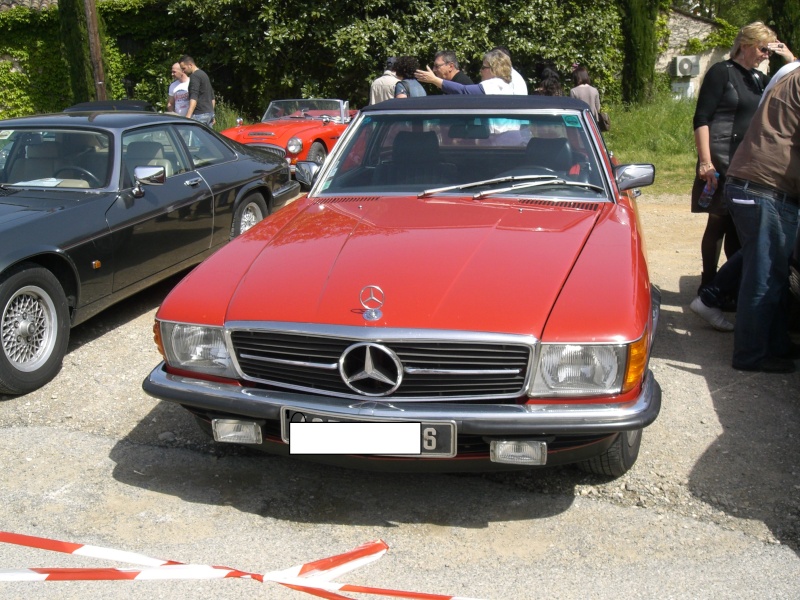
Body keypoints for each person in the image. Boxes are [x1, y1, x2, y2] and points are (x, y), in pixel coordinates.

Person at [691, 22, 793, 293]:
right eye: (763, 49)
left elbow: (791, 84)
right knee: (719, 222)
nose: (766, 55)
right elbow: (702, 118)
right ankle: (708, 284)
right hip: (721, 159)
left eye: (770, 51)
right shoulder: (720, 72)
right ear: (746, 45)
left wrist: (790, 57)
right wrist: (705, 161)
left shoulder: (758, 78)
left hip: (746, 163)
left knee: (740, 229)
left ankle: (730, 288)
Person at [723, 68, 800, 373]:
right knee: (765, 275)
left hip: (756, 183)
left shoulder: (790, 76)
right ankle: (751, 354)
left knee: (773, 272)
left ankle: (776, 343)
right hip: (766, 187)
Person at [415, 49, 513, 95]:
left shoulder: (493, 85)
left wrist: (434, 80)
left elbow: (463, 91)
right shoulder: (505, 85)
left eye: (483, 67)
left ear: (494, 69)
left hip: (501, 135)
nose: (480, 71)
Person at [179, 55, 215, 125]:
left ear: (190, 65)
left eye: (184, 68)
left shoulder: (194, 76)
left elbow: (193, 97)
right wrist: (212, 113)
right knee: (207, 136)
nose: (183, 71)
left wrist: (188, 116)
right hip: (209, 114)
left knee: (194, 136)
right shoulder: (204, 74)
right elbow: (212, 97)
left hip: (200, 115)